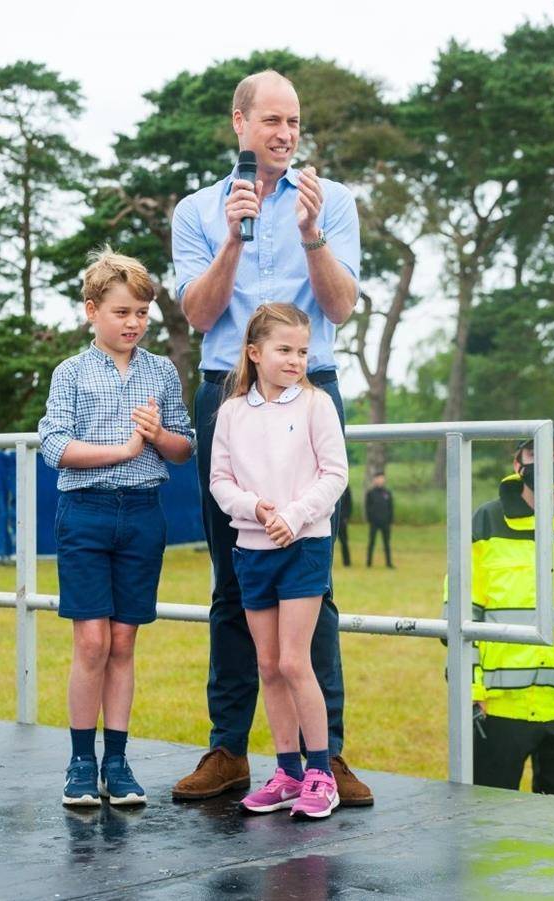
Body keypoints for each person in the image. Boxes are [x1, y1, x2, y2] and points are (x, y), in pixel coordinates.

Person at [171, 69, 373, 806]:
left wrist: (314, 236)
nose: (286, 134)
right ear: (239, 121)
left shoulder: (335, 203)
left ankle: (330, 755)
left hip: (313, 385)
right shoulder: (197, 209)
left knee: (313, 577)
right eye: (272, 121)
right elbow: (198, 314)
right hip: (227, 392)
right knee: (233, 576)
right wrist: (230, 238)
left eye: (295, 122)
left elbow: (342, 307)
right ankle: (230, 749)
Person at [39, 248, 195, 807]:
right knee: (92, 641)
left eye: (141, 314)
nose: (133, 323)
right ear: (92, 311)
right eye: (122, 312)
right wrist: (123, 449)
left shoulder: (160, 370)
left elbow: (182, 448)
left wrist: (156, 438)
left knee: (124, 641)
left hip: (142, 514)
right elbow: (54, 446)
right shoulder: (71, 372)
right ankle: (81, 762)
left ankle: (119, 762)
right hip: (85, 514)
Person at [211, 303, 347, 818]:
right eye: (284, 350)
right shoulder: (230, 413)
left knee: (295, 661)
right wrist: (255, 509)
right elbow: (220, 481)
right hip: (252, 549)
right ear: (254, 352)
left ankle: (320, 772)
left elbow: (334, 474)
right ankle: (287, 772)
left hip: (304, 547)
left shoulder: (316, 405)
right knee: (268, 665)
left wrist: (294, 516)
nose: (295, 360)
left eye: (303, 351)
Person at [450, 424, 554, 792]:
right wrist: (470, 693)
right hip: (498, 708)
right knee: (488, 826)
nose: (546, 461)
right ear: (518, 463)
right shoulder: (485, 520)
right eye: (534, 453)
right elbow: (459, 619)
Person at [365, 472, 394, 568]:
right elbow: (367, 508)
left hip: (385, 522)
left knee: (387, 544)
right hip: (374, 522)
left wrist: (390, 520)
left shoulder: (387, 493)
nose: (380, 480)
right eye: (378, 478)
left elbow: (391, 508)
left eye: (382, 478)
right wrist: (370, 519)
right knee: (371, 542)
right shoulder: (370, 493)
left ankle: (389, 563)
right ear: (374, 480)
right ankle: (369, 563)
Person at [338, 486, 352, 567]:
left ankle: (347, 562)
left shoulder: (346, 488)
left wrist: (346, 517)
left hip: (342, 520)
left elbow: (349, 504)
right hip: (332, 519)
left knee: (344, 541)